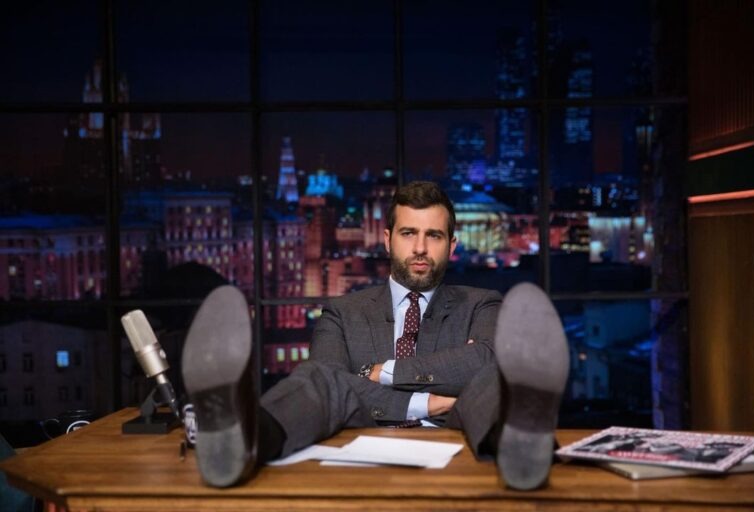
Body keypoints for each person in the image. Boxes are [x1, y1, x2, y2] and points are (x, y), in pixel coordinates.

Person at [181, 181, 569, 491]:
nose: (420, 248)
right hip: (364, 441)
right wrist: (431, 401)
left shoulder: (482, 303)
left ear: (452, 245)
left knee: (493, 379)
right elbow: (329, 386)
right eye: (408, 233)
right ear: (387, 239)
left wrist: (383, 372)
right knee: (319, 378)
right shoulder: (342, 311)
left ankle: (521, 450)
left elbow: (483, 360)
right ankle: (241, 442)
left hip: (459, 433)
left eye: (434, 235)